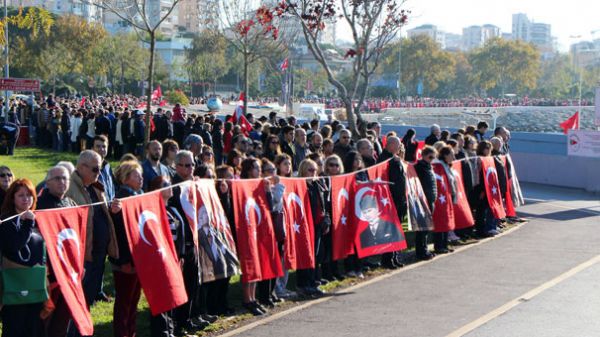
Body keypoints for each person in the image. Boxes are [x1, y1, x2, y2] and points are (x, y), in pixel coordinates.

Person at [66, 150, 120, 337]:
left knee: (87, 300)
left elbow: (100, 215)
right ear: (81, 167)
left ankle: (82, 332)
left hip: (98, 256)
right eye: (96, 169)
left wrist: (112, 210)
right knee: (74, 303)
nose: (99, 172)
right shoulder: (69, 187)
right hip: (82, 258)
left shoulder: (95, 186)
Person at [169, 150, 209, 334]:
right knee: (184, 282)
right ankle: (178, 322)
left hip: (195, 238)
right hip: (181, 241)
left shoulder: (193, 184)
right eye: (185, 165)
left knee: (194, 281)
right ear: (177, 166)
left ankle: (189, 317)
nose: (189, 168)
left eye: (192, 164)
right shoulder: (173, 186)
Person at [37, 166, 78, 337]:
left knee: (63, 319)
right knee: (45, 319)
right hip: (49, 274)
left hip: (68, 272)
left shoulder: (71, 203)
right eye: (58, 178)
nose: (62, 182)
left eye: (65, 178)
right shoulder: (39, 204)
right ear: (47, 182)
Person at [109, 161, 144, 337]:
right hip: (126, 260)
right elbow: (121, 234)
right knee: (125, 302)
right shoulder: (123, 198)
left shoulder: (137, 196)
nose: (141, 178)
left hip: (135, 258)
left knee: (133, 301)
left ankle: (130, 332)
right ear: (125, 178)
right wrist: (125, 261)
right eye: (137, 175)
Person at [239, 158, 270, 316]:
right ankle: (247, 299)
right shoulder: (242, 185)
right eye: (256, 168)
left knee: (256, 265)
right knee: (248, 266)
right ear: (249, 170)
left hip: (257, 228)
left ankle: (253, 298)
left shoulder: (258, 186)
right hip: (245, 228)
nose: (259, 171)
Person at [296, 159, 328, 297]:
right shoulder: (300, 186)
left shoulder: (317, 185)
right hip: (305, 225)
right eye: (310, 170)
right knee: (307, 255)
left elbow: (323, 205)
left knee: (317, 254)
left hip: (318, 224)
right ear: (303, 170)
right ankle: (304, 284)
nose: (314, 172)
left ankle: (314, 282)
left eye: (315, 170)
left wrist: (326, 219)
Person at [414, 146, 437, 260]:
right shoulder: (419, 167)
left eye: (434, 157)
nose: (432, 159)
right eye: (430, 156)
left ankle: (425, 249)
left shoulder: (429, 167)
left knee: (427, 227)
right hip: (423, 200)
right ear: (423, 155)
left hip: (430, 199)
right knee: (422, 228)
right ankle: (421, 251)